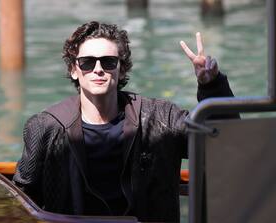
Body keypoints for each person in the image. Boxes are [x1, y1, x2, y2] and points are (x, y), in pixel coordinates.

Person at [13, 21, 236, 222]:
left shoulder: (161, 118)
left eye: (108, 62)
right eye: (87, 63)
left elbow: (224, 143)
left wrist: (212, 85)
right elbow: (20, 200)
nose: (98, 69)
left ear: (122, 70)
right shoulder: (45, 127)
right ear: (74, 70)